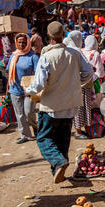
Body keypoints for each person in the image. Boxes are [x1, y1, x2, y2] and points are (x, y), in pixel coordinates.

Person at [25, 22, 86, 184]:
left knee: (43, 138)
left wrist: (28, 91)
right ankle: (58, 170)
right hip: (71, 105)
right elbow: (89, 73)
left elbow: (39, 84)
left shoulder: (47, 56)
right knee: (63, 139)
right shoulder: (74, 53)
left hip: (51, 105)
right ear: (62, 35)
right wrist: (77, 84)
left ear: (48, 37)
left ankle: (59, 163)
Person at [7, 34, 39, 144]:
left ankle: (35, 127)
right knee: (20, 114)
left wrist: (32, 87)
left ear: (28, 42)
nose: (21, 44)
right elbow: (9, 72)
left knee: (29, 112)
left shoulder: (33, 57)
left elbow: (37, 74)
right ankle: (25, 135)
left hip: (29, 90)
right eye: (19, 42)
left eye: (24, 42)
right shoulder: (13, 56)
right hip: (14, 89)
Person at [63, 31, 95, 140]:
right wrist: (81, 80)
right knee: (79, 108)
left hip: (71, 84)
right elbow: (87, 69)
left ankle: (79, 130)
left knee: (76, 107)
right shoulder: (76, 51)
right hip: (80, 84)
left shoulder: (66, 49)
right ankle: (78, 131)